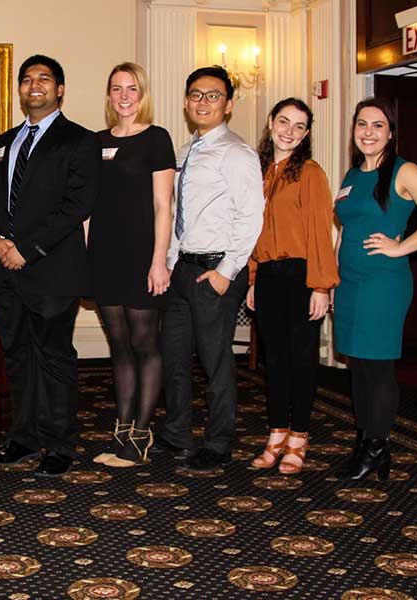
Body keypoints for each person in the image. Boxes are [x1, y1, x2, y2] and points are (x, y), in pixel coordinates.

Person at [0, 55, 100, 477]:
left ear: (60, 89)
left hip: (50, 270)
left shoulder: (80, 141)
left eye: (44, 79)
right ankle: (24, 440)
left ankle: (59, 445)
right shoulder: (2, 143)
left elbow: (76, 205)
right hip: (6, 273)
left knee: (53, 358)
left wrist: (26, 249)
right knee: (17, 357)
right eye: (27, 80)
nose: (35, 86)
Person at [153, 66, 264, 473]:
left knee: (216, 361)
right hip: (184, 268)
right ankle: (177, 431)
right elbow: (179, 212)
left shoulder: (237, 152)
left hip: (217, 269)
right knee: (175, 355)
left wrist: (226, 272)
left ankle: (219, 442)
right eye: (196, 94)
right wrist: (169, 262)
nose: (203, 102)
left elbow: (251, 217)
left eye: (213, 95)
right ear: (186, 102)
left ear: (229, 105)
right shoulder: (185, 151)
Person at [333, 97, 417, 481]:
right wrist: (334, 280)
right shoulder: (353, 174)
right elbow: (344, 229)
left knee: (378, 365)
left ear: (390, 132)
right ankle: (367, 442)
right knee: (358, 364)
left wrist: (400, 245)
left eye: (377, 125)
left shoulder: (405, 172)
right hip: (351, 281)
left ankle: (375, 447)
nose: (368, 132)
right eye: (361, 124)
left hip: (383, 282)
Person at [245, 98, 338, 475]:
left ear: (307, 134)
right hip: (267, 275)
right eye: (284, 121)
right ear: (271, 122)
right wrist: (252, 278)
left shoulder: (310, 172)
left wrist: (321, 286)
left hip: (301, 276)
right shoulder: (260, 171)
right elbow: (253, 230)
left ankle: (299, 437)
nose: (289, 131)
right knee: (276, 362)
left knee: (301, 361)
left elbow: (320, 231)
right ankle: (276, 434)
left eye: (299, 126)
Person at [88, 62, 174, 468]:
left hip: (143, 255)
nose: (124, 96)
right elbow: (89, 207)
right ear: (108, 95)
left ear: (143, 95)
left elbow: (163, 206)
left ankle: (141, 435)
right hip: (106, 255)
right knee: (119, 347)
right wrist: (88, 255)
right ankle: (121, 430)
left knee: (145, 345)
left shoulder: (157, 139)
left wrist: (160, 262)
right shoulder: (97, 142)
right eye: (117, 88)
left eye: (132, 89)